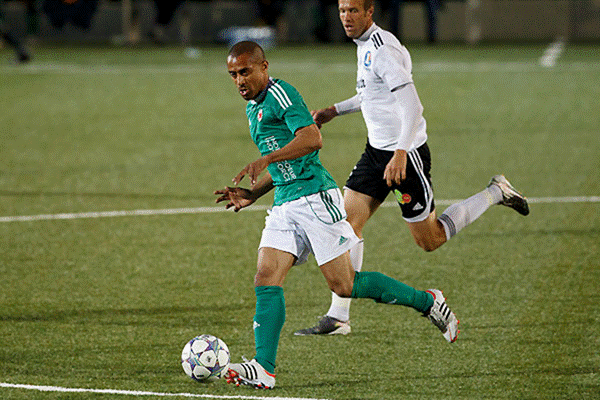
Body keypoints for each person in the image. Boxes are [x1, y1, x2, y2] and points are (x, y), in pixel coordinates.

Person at [214, 40, 459, 389]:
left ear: (263, 67)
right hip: (285, 202)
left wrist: (267, 158)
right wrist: (251, 194)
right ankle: (263, 368)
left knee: (345, 285)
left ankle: (428, 301)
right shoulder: (253, 107)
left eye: (245, 71)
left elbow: (313, 139)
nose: (239, 80)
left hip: (314, 197)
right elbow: (285, 163)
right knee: (266, 277)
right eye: (233, 74)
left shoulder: (281, 95)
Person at [294, 0, 529, 336]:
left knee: (429, 239)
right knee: (347, 226)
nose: (346, 17)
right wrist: (336, 109)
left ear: (369, 11)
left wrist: (402, 153)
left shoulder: (383, 50)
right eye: (342, 10)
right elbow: (372, 95)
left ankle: (495, 192)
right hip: (377, 154)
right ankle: (339, 317)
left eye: (353, 11)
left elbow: (412, 105)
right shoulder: (366, 47)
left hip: (406, 156)